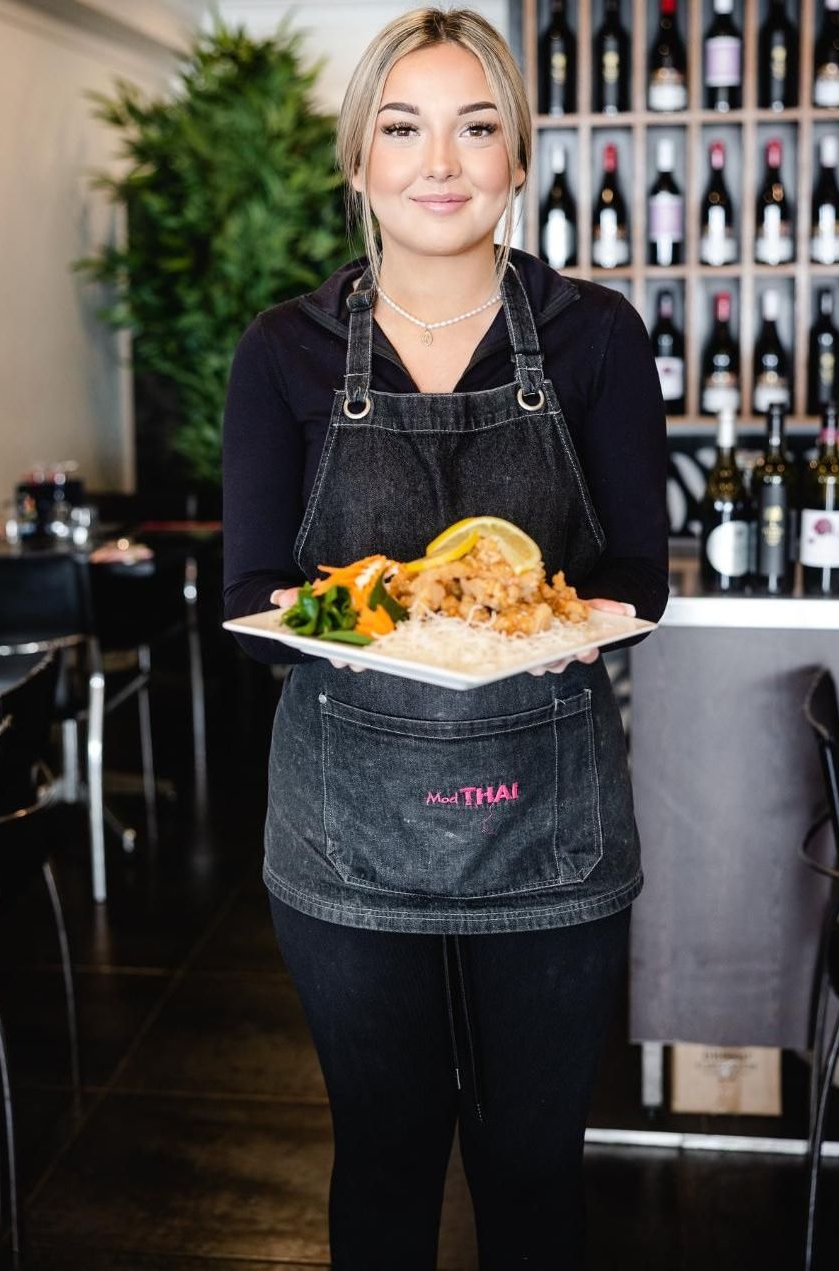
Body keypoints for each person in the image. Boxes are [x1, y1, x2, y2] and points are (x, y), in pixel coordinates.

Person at [222, 8, 668, 1268]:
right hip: (346, 840)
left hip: (551, 835)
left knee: (531, 1168)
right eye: (402, 128)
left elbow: (641, 574)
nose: (440, 161)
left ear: (518, 158)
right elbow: (257, 604)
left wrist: (572, 619)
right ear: (359, 159)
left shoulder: (595, 338)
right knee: (384, 1150)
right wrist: (382, 616)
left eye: (476, 128)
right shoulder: (284, 354)